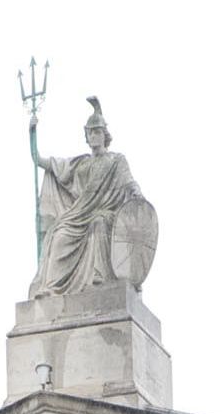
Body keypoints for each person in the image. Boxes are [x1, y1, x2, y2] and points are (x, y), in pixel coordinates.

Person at [28, 97, 145, 297]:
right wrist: (32, 133)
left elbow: (129, 182)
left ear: (105, 135)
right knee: (58, 234)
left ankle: (98, 279)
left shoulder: (116, 161)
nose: (93, 136)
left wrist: (137, 193)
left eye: (97, 132)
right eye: (90, 133)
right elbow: (40, 160)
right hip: (78, 217)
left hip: (107, 216)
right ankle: (51, 287)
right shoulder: (81, 164)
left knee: (98, 222)